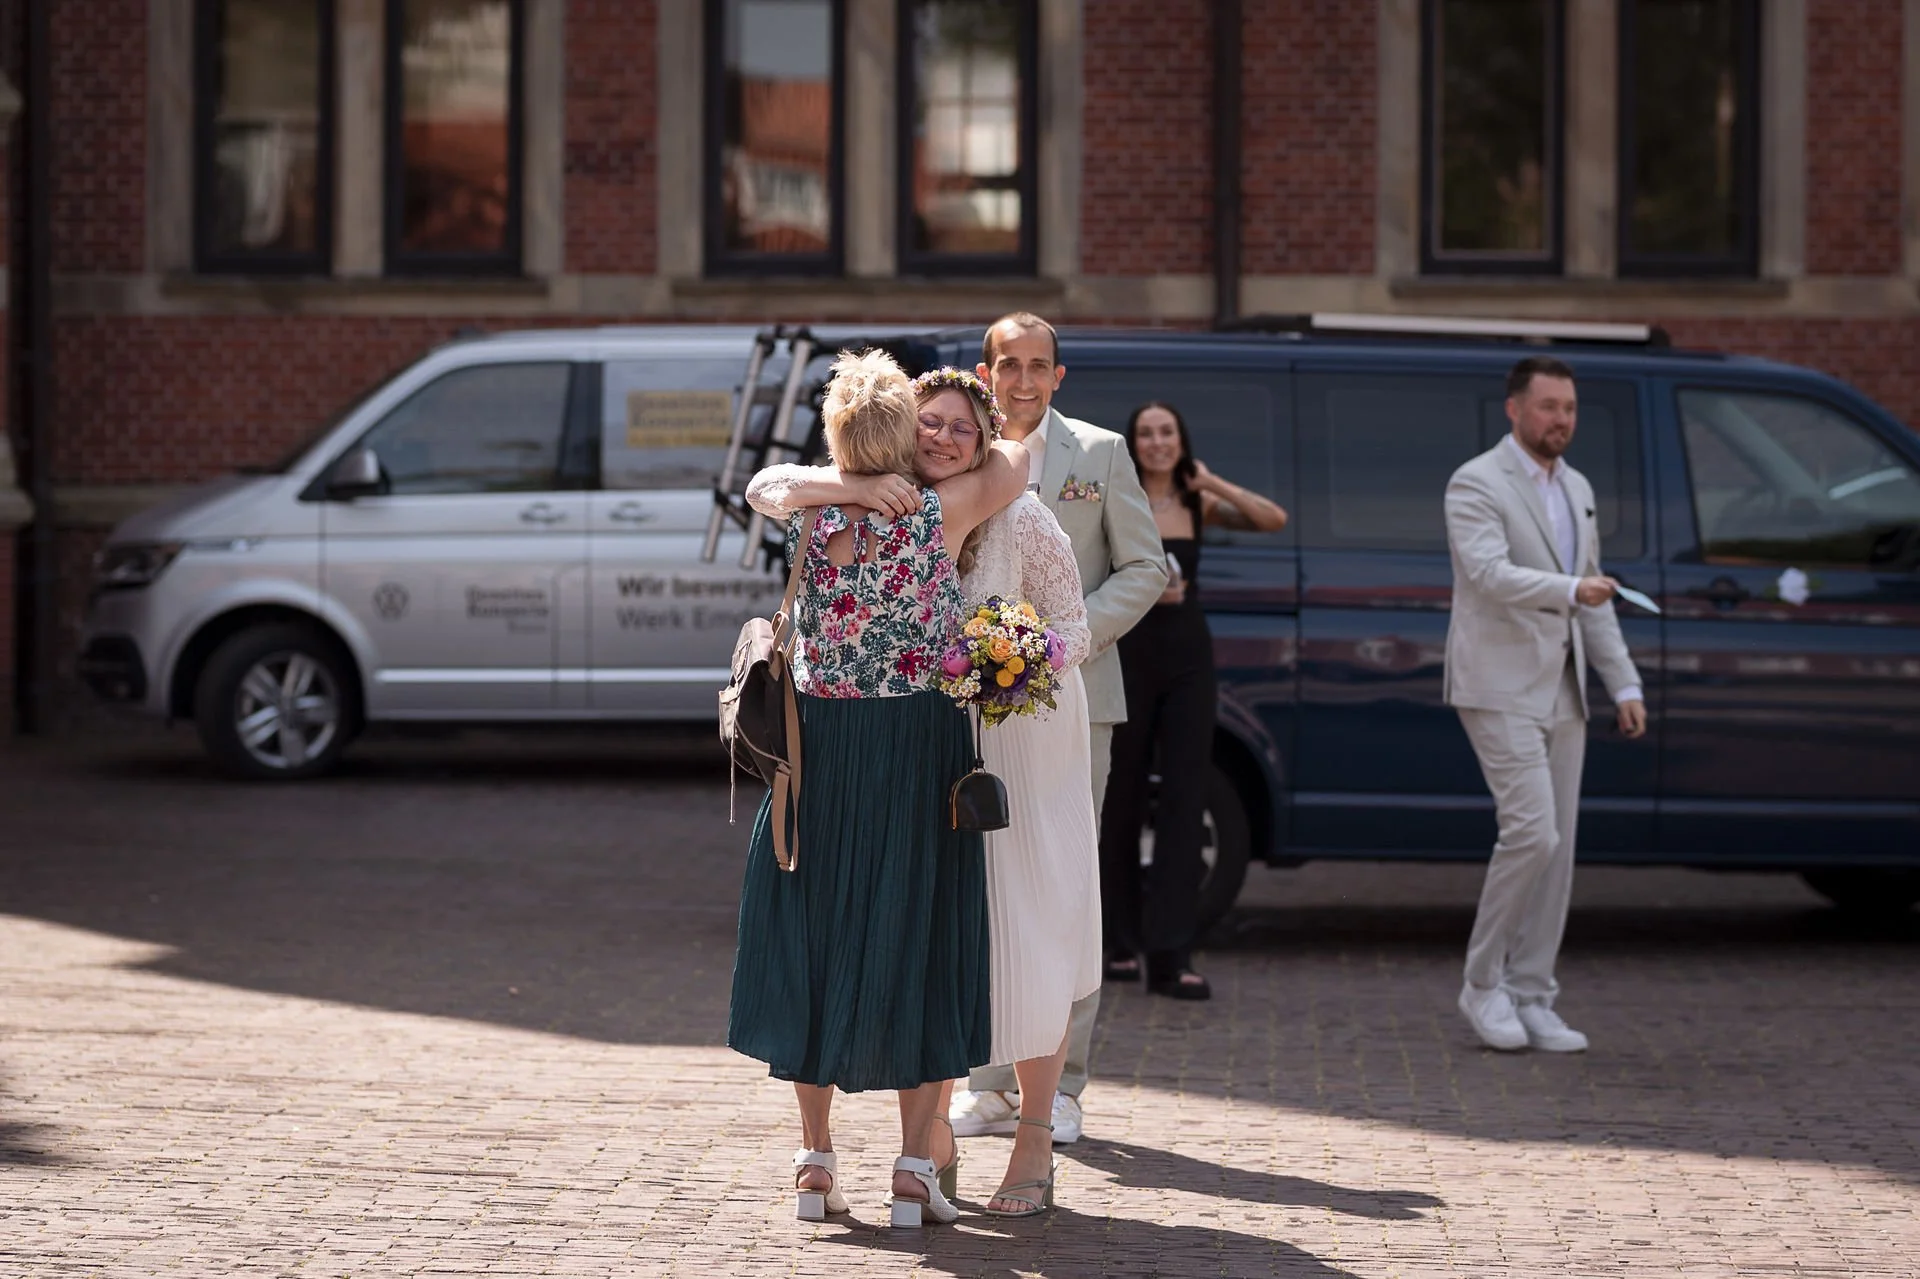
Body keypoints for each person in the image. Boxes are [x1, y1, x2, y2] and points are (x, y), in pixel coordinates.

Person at [745, 367, 1098, 1218]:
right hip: (913, 746)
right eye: (926, 424)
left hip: (821, 747)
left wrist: (847, 478)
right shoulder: (938, 514)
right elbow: (1014, 463)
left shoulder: (814, 512)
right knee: (921, 940)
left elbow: (764, 484)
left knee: (813, 937)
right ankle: (912, 1168)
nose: (941, 439)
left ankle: (815, 1159)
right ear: (902, 436)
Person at [949, 312, 1168, 1147]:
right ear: (988, 369)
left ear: (1060, 375)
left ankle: (1064, 1083)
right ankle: (988, 1079)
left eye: (1040, 366)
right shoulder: (959, 450)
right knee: (985, 879)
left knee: (1067, 884)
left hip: (1077, 696)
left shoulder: (1102, 454)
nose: (1025, 381)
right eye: (1010, 365)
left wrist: (1068, 641)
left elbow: (1146, 566)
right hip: (977, 702)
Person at [1444, 355, 1647, 1054]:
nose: (1561, 418)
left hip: (1565, 687)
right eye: (1548, 406)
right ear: (1514, 409)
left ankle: (1533, 993)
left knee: (1559, 853)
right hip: (1496, 682)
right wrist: (1571, 591)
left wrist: (1623, 684)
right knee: (1534, 833)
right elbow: (1489, 574)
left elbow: (1594, 594)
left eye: (1569, 407)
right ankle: (1481, 984)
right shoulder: (1476, 481)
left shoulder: (1579, 487)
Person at [1100, 401, 1288, 1000]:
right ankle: (1117, 944)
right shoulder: (1118, 497)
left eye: (1167, 433)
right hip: (1128, 653)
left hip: (1187, 658)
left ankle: (1171, 955)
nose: (1157, 442)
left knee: (1185, 798)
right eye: (1147, 433)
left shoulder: (1197, 502)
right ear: (1133, 443)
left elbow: (1273, 519)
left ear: (1181, 440)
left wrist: (1208, 480)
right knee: (1121, 797)